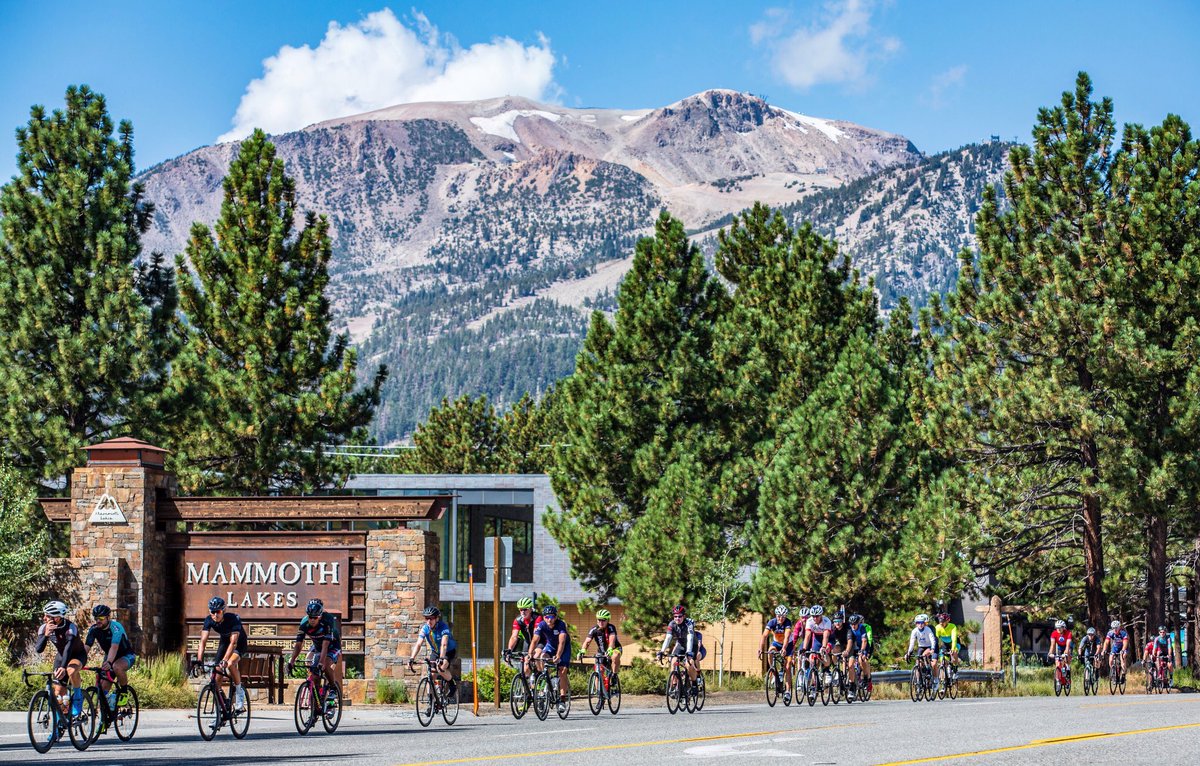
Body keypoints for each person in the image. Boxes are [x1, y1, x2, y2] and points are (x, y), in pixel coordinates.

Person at [34, 600, 87, 721]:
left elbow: (69, 649)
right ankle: (59, 725)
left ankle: (78, 697)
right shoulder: (44, 628)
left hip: (78, 655)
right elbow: (38, 649)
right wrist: (46, 635)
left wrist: (63, 667)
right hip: (61, 656)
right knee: (58, 693)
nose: (44, 618)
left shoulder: (70, 628)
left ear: (57, 618)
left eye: (47, 615)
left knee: (71, 670)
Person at [196, 596, 248, 712]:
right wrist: (199, 660)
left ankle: (239, 693)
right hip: (224, 643)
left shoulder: (233, 619)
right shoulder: (209, 620)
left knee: (229, 664)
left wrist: (225, 659)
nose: (215, 615)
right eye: (212, 612)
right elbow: (203, 641)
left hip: (239, 643)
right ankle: (222, 710)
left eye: (218, 612)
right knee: (216, 675)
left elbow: (233, 642)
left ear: (223, 610)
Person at [84, 604, 136, 720]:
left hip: (125, 655)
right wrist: (79, 661)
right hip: (110, 657)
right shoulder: (94, 630)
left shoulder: (116, 627)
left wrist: (108, 662)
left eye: (101, 618)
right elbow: (87, 647)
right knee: (102, 689)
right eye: (96, 618)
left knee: (117, 667)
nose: (98, 621)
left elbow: (114, 647)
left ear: (108, 617)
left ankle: (123, 692)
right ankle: (107, 715)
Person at [286, 598, 343, 696]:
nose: (312, 620)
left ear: (320, 616)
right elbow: (299, 644)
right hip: (318, 647)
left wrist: (321, 662)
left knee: (325, 664)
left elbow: (326, 644)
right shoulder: (304, 623)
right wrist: (292, 661)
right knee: (315, 676)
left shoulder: (327, 620)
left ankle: (333, 687)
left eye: (315, 617)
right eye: (310, 617)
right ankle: (317, 704)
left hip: (332, 646)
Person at [408, 606, 457, 696]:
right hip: (436, 651)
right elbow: (418, 644)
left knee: (440, 668)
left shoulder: (443, 627)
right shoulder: (425, 628)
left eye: (431, 618)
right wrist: (412, 658)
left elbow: (444, 644)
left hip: (448, 651)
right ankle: (431, 700)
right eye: (427, 618)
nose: (429, 621)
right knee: (431, 674)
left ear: (437, 618)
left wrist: (441, 658)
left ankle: (452, 684)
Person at [530, 605, 572, 705]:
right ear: (544, 617)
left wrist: (558, 656)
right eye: (547, 617)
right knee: (541, 657)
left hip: (564, 648)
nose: (549, 619)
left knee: (562, 670)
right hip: (551, 646)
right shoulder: (542, 625)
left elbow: (562, 642)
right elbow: (535, 640)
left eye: (552, 617)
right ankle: (546, 679)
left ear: (556, 617)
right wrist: (530, 653)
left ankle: (562, 699)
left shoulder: (560, 624)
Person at [658, 605, 706, 692]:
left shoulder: (689, 624)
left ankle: (694, 683)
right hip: (681, 645)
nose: (677, 618)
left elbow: (690, 639)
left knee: (689, 664)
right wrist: (662, 651)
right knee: (673, 661)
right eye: (675, 616)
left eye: (679, 616)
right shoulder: (672, 624)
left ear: (684, 616)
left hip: (692, 645)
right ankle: (674, 685)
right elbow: (668, 638)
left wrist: (688, 652)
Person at [758, 605, 795, 704]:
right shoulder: (772, 622)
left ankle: (787, 691)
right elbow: (764, 636)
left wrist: (784, 648)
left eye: (783, 616)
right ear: (776, 615)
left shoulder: (788, 622)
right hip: (776, 643)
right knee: (770, 651)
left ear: (786, 616)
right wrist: (760, 649)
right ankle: (773, 671)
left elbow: (787, 637)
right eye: (779, 616)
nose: (781, 618)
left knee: (787, 666)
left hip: (788, 645)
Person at [579, 608, 622, 676]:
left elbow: (612, 638)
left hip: (614, 648)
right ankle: (598, 686)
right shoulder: (594, 629)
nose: (601, 622)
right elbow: (587, 641)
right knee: (598, 671)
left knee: (615, 655)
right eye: (599, 620)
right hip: (602, 652)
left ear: (608, 620)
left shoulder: (611, 627)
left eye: (603, 620)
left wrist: (610, 648)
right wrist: (583, 650)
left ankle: (614, 675)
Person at [503, 597, 540, 677]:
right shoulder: (518, 620)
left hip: (539, 641)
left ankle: (543, 679)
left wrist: (531, 651)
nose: (522, 612)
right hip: (528, 642)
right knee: (525, 668)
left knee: (536, 658)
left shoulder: (537, 618)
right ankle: (526, 688)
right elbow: (514, 637)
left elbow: (535, 636)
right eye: (520, 609)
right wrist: (509, 649)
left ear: (530, 609)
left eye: (525, 609)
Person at [905, 614, 937, 681]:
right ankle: (918, 681)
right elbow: (912, 642)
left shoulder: (928, 629)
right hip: (921, 647)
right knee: (918, 662)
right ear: (916, 624)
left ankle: (928, 670)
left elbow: (932, 639)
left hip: (928, 646)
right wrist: (909, 652)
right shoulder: (914, 631)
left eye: (922, 623)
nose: (920, 624)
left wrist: (933, 648)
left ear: (924, 623)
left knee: (924, 655)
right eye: (918, 623)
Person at [847, 614, 872, 698]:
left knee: (862, 660)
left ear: (858, 623)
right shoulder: (850, 628)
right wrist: (847, 651)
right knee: (850, 665)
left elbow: (864, 640)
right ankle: (852, 686)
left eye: (855, 624)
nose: (853, 626)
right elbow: (850, 641)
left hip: (863, 646)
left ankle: (865, 678)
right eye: (852, 624)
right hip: (854, 647)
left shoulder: (862, 628)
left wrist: (862, 651)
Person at [803, 605, 833, 673]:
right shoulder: (809, 621)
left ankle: (827, 670)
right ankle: (815, 680)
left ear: (821, 615)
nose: (815, 618)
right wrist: (804, 648)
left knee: (824, 654)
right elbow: (807, 635)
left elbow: (826, 636)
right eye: (813, 616)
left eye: (817, 616)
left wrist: (824, 647)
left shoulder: (826, 621)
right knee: (813, 658)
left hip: (829, 638)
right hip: (817, 638)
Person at [934, 612, 959, 686]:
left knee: (954, 654)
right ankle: (943, 682)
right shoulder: (937, 627)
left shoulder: (952, 626)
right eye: (940, 622)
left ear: (947, 621)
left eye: (943, 622)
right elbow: (935, 640)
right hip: (945, 645)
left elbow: (954, 638)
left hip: (954, 644)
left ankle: (955, 670)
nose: (941, 623)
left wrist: (953, 648)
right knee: (943, 662)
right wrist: (935, 649)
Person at [1048, 619, 1072, 686]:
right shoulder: (1054, 633)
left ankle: (1068, 672)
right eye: (1057, 627)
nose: (1058, 629)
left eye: (1060, 627)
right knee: (1058, 663)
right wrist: (1050, 653)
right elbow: (1052, 645)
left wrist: (1066, 653)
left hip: (1067, 647)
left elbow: (1067, 646)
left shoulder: (1068, 633)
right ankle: (1058, 679)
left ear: (1063, 627)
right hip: (1059, 647)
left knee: (1066, 660)